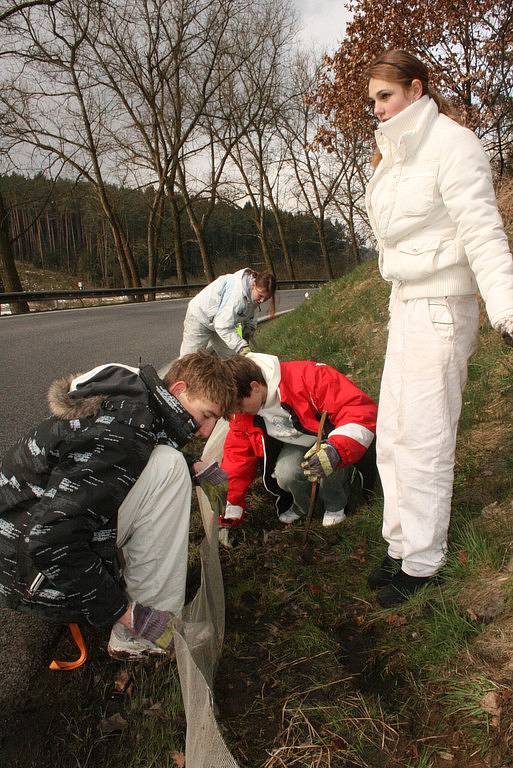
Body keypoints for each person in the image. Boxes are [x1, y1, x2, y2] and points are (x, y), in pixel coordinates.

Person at [365, 50, 513, 608]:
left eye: (386, 96)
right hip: (404, 305)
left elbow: (483, 230)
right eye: (372, 99)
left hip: (442, 307)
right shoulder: (393, 155)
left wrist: (506, 306)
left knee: (426, 438)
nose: (377, 108)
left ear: (416, 89)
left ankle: (425, 562)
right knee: (395, 436)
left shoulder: (454, 145)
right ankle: (400, 542)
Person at [0, 352, 236, 659]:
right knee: (169, 469)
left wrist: (194, 465)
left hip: (18, 537)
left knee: (172, 464)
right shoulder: (124, 431)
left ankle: (138, 600)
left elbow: (112, 465)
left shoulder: (132, 402)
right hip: (28, 570)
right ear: (178, 390)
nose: (206, 431)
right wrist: (125, 614)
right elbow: (49, 542)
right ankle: (139, 635)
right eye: (206, 415)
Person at [219, 353, 377, 529]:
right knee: (285, 473)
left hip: (331, 438)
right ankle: (305, 506)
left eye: (240, 406)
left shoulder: (308, 376)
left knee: (330, 466)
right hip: (296, 442)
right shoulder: (241, 411)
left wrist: (336, 450)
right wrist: (232, 503)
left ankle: (335, 504)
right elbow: (237, 456)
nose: (239, 413)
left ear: (255, 387)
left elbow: (358, 408)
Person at [179, 268, 276, 358]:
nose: (262, 301)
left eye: (266, 298)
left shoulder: (253, 293)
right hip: (200, 316)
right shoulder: (237, 296)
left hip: (220, 321)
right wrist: (241, 346)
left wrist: (249, 328)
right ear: (253, 285)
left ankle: (232, 376)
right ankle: (178, 376)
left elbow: (249, 312)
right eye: (260, 296)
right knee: (190, 360)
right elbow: (222, 326)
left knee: (233, 360)